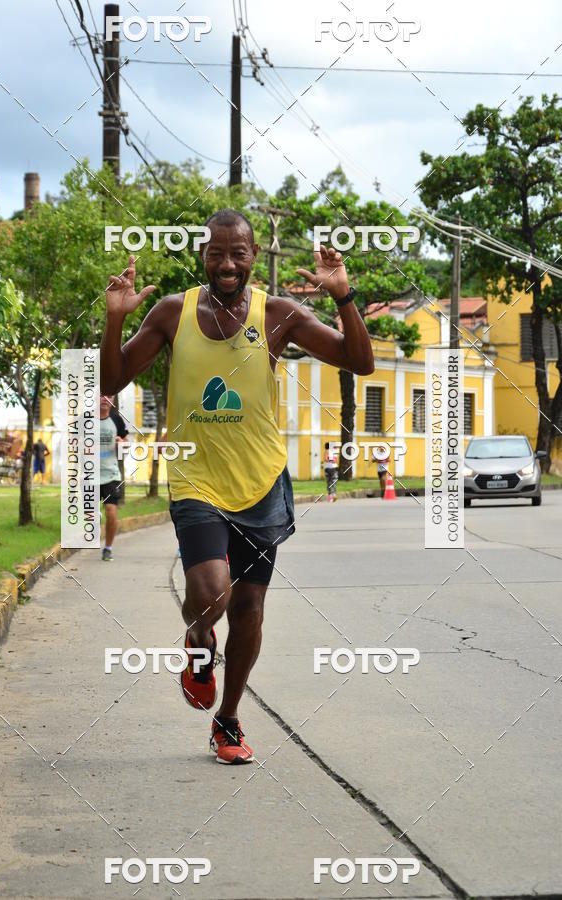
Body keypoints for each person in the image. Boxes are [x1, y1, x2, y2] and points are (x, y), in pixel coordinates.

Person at [101, 209, 374, 764]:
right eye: (217, 253)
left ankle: (227, 721)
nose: (227, 264)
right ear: (202, 254)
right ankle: (200, 642)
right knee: (210, 591)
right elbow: (110, 380)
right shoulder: (171, 312)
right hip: (196, 478)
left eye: (239, 254)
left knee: (249, 607)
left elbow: (359, 361)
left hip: (261, 481)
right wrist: (113, 320)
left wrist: (344, 295)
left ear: (253, 256)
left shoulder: (278, 314)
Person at [99, 394, 129, 561]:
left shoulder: (116, 420)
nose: (105, 399)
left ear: (113, 400)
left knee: (111, 511)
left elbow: (126, 443)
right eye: (101, 395)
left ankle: (108, 548)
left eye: (109, 396)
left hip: (111, 474)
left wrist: (121, 443)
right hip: (89, 475)